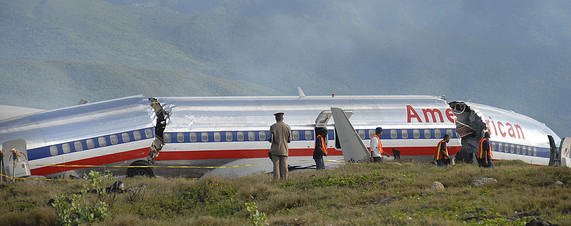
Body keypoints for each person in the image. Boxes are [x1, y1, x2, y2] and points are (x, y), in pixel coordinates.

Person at [268, 112, 291, 180]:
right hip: (284, 149)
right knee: (284, 165)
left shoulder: (273, 127)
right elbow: (289, 140)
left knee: (276, 165)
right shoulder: (287, 127)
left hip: (275, 149)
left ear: (276, 118)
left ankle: (276, 180)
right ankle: (284, 179)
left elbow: (270, 139)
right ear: (282, 118)